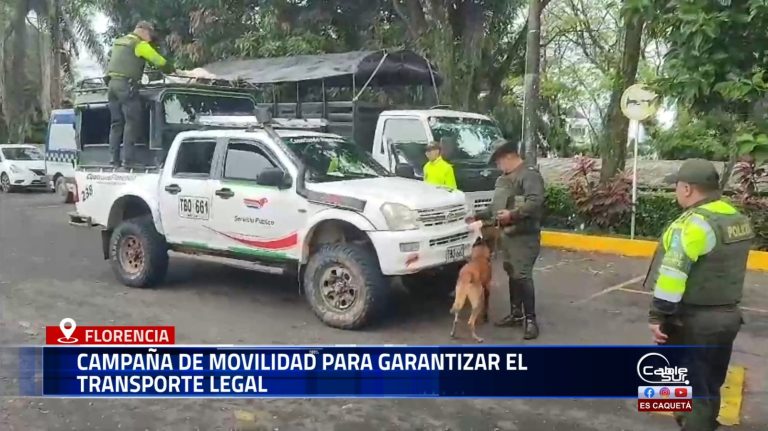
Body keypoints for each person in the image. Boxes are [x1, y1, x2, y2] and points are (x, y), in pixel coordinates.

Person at [644, 159, 753, 431]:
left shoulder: (693, 224)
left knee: (692, 392)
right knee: (708, 386)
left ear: (688, 189)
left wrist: (658, 316)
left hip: (694, 322)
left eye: (677, 186)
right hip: (727, 318)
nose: (676, 192)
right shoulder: (736, 218)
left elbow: (672, 276)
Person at [470, 139, 545, 339]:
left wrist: (512, 215)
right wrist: (477, 215)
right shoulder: (503, 179)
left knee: (522, 274)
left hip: (524, 237)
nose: (498, 166)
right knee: (512, 272)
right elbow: (495, 207)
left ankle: (531, 320)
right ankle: (516, 313)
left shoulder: (529, 174)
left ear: (509, 156)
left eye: (498, 161)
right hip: (508, 236)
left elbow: (535, 202)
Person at [106, 21, 175, 167]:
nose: (150, 39)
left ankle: (114, 159)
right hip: (126, 86)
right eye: (150, 35)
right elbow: (158, 61)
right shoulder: (138, 44)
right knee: (132, 121)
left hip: (111, 85)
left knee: (116, 123)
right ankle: (129, 160)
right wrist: (172, 70)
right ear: (143, 31)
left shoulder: (119, 42)